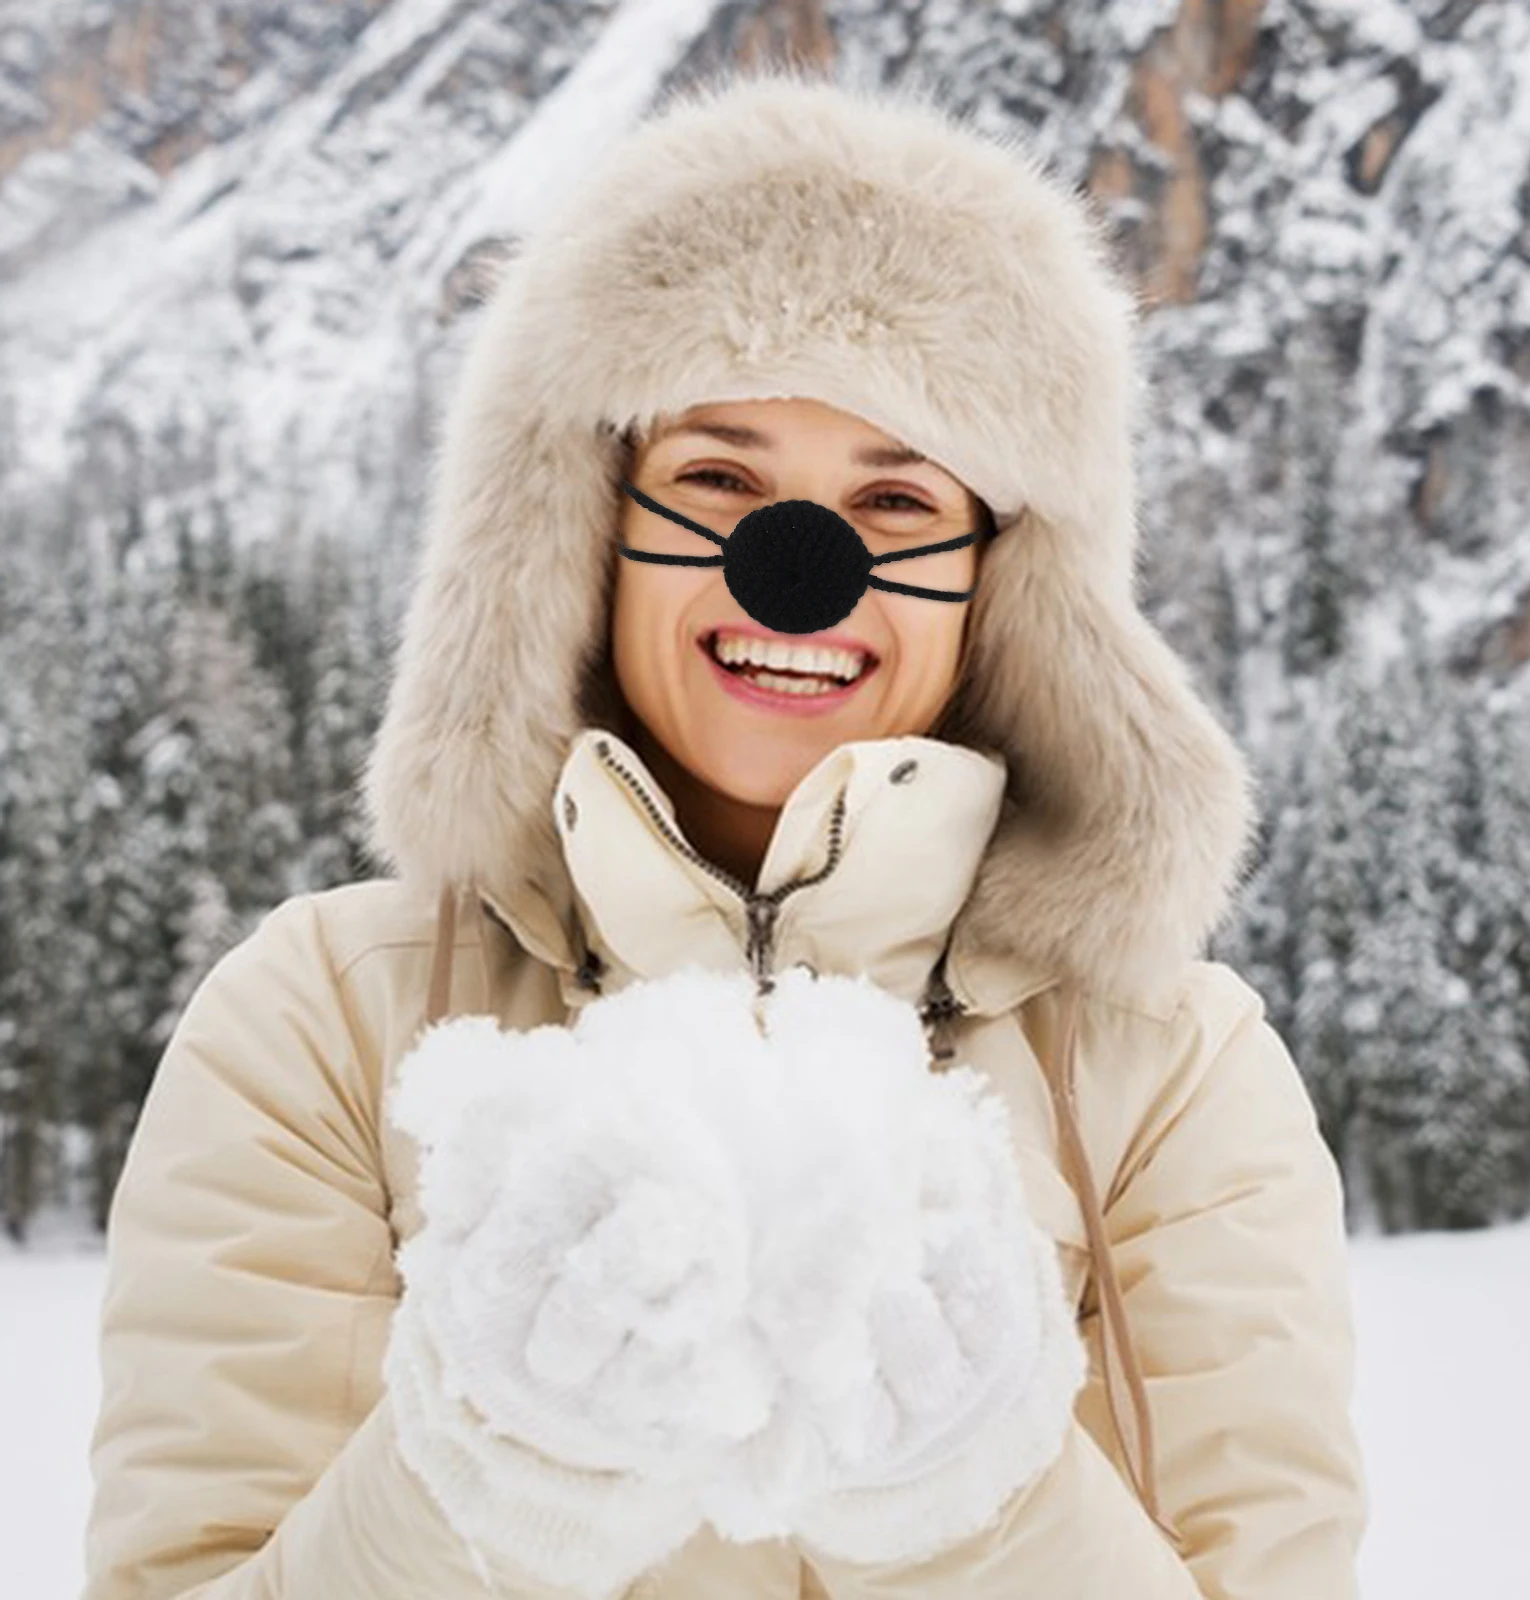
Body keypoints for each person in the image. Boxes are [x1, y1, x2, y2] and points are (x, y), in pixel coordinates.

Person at [81, 62, 1368, 1600]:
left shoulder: (1168, 1073)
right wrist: (486, 1481)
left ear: (1010, 586)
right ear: (582, 529)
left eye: (897, 505)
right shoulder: (324, 1023)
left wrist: (977, 1501)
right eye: (716, 478)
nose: (798, 572)